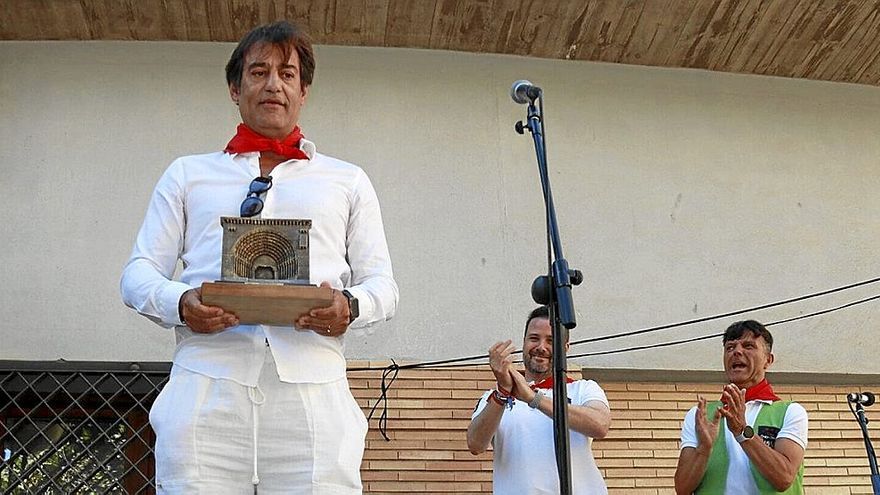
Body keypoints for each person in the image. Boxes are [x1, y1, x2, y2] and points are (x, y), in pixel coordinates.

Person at [120, 20, 398, 494]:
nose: (274, 84)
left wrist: (349, 307)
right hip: (206, 384)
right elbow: (138, 273)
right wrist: (183, 301)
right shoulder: (188, 174)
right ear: (235, 87)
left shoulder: (347, 179)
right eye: (259, 71)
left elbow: (383, 285)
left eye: (288, 74)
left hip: (313, 392)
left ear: (304, 90)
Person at [466, 306, 611, 494]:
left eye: (551, 340)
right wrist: (502, 393)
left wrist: (533, 398)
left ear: (565, 348)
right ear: (524, 342)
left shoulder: (583, 388)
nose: (541, 347)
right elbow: (475, 445)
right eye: (534, 338)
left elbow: (600, 425)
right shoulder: (493, 398)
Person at [674, 320, 808, 494]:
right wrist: (704, 450)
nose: (737, 351)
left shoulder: (790, 412)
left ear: (768, 360)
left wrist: (743, 431)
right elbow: (682, 488)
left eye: (748, 346)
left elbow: (784, 478)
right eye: (730, 347)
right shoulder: (699, 415)